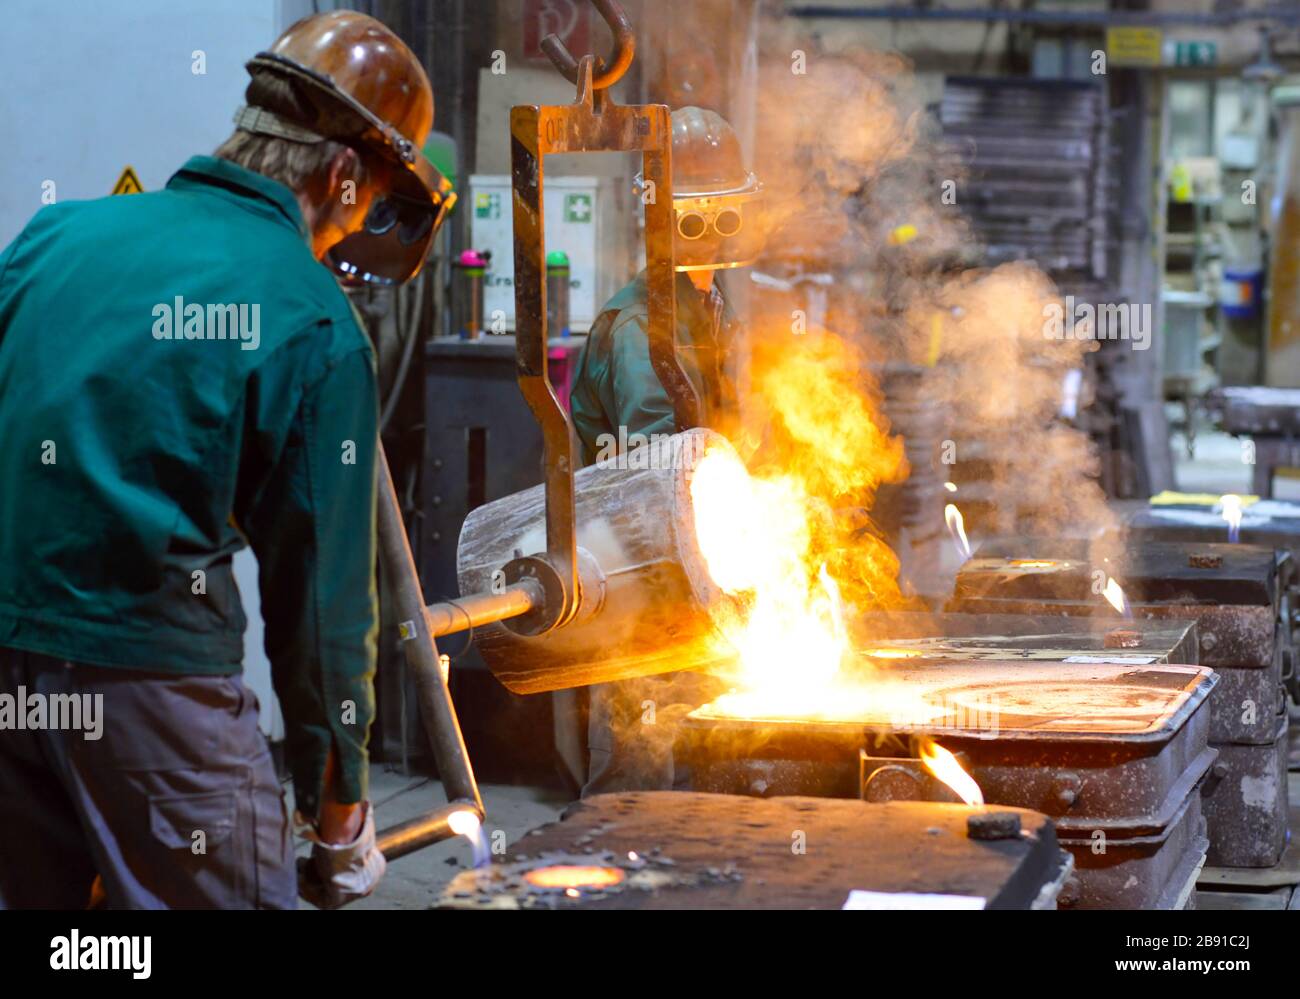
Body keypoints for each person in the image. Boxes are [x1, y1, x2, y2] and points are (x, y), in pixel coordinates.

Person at [0, 10, 452, 909]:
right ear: (341, 174)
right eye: (370, 203)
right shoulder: (313, 317)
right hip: (154, 698)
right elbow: (325, 613)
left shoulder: (52, 239)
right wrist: (342, 821)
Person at [568, 106, 767, 795]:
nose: (713, 230)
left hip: (694, 573)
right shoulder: (641, 329)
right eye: (698, 215)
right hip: (642, 579)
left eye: (725, 213)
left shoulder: (710, 304)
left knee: (701, 767)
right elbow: (656, 483)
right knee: (640, 776)